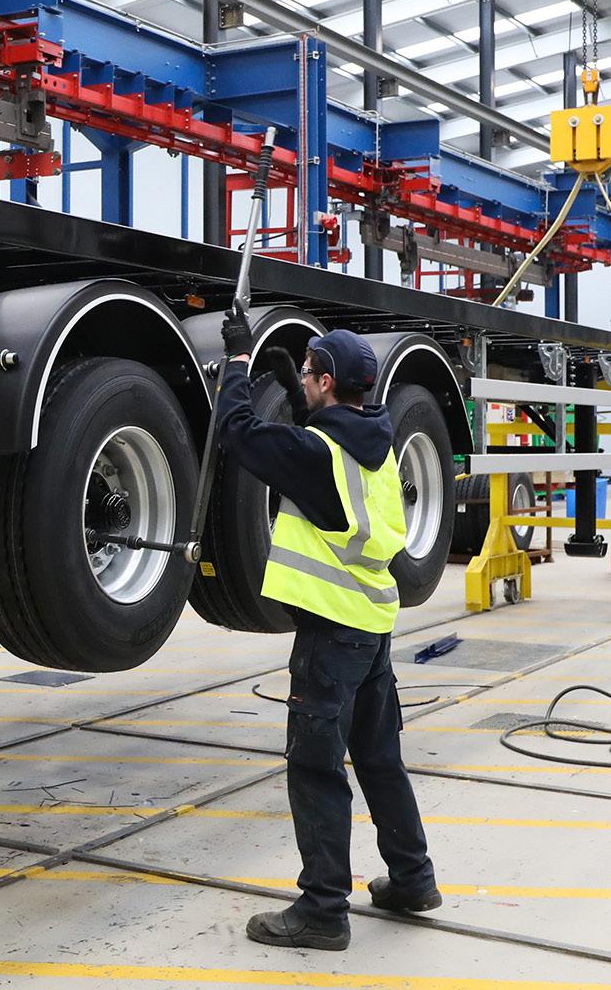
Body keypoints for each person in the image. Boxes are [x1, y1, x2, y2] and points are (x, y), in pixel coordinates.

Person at [215, 313, 440, 951]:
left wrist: (238, 362)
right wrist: (294, 388)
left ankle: (322, 910)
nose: (307, 380)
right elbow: (317, 451)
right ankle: (413, 879)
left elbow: (238, 431)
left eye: (311, 373)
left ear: (329, 383)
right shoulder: (377, 442)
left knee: (316, 769)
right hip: (373, 627)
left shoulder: (317, 455)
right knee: (380, 759)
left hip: (330, 634)